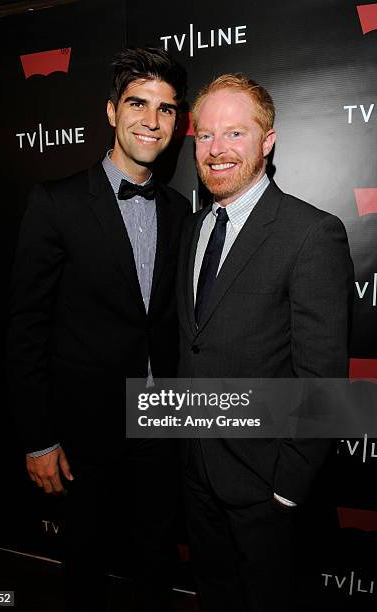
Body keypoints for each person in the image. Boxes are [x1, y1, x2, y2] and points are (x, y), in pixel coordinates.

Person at [8, 47, 190, 612]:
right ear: (111, 111)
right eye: (138, 104)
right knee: (85, 566)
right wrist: (38, 437)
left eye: (165, 110)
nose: (151, 121)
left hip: (163, 422)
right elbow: (26, 327)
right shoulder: (56, 203)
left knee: (157, 563)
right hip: (84, 432)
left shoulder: (182, 210)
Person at [176, 74, 353, 612]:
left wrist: (287, 488)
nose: (217, 150)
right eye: (205, 136)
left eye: (235, 133)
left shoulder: (310, 233)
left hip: (266, 489)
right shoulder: (194, 229)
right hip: (195, 473)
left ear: (268, 141)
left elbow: (323, 381)